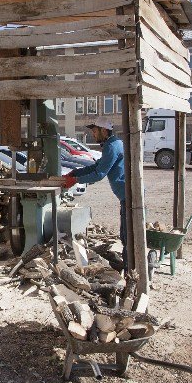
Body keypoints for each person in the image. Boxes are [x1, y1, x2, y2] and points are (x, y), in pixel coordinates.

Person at [62, 116, 128, 270]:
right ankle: (128, 266)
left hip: (129, 197)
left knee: (127, 236)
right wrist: (75, 172)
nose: (93, 134)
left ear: (104, 130)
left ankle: (130, 268)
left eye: (95, 131)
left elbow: (99, 173)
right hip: (126, 196)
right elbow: (95, 166)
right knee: (126, 234)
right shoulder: (112, 144)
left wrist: (76, 179)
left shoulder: (112, 146)